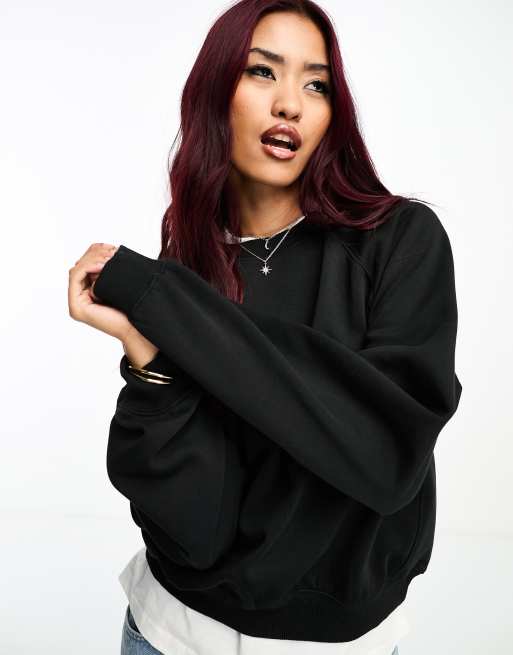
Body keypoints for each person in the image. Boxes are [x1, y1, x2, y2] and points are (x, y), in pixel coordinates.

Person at [68, 1, 462, 653]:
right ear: (215, 92)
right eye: (262, 72)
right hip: (172, 633)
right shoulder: (188, 270)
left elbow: (384, 453)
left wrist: (164, 304)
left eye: (316, 84)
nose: (290, 104)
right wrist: (150, 359)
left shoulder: (400, 240)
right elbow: (193, 525)